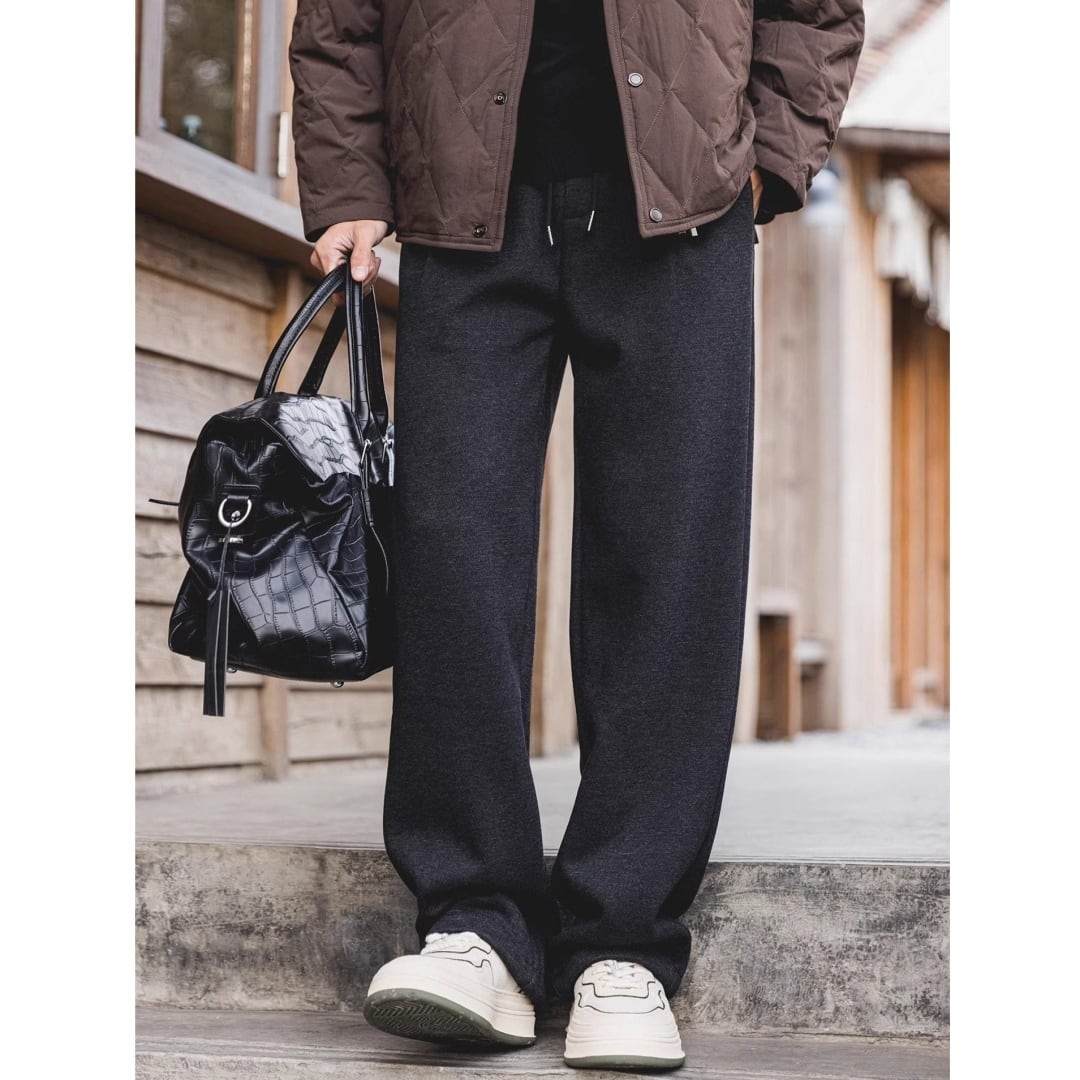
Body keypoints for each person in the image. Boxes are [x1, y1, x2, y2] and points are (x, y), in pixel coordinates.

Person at [290, 0, 864, 1070]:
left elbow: (816, 10)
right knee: (454, 561)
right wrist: (349, 182)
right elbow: (338, 16)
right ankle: (477, 927)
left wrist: (768, 162)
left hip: (684, 209)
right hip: (463, 206)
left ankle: (624, 945)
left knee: (669, 564)